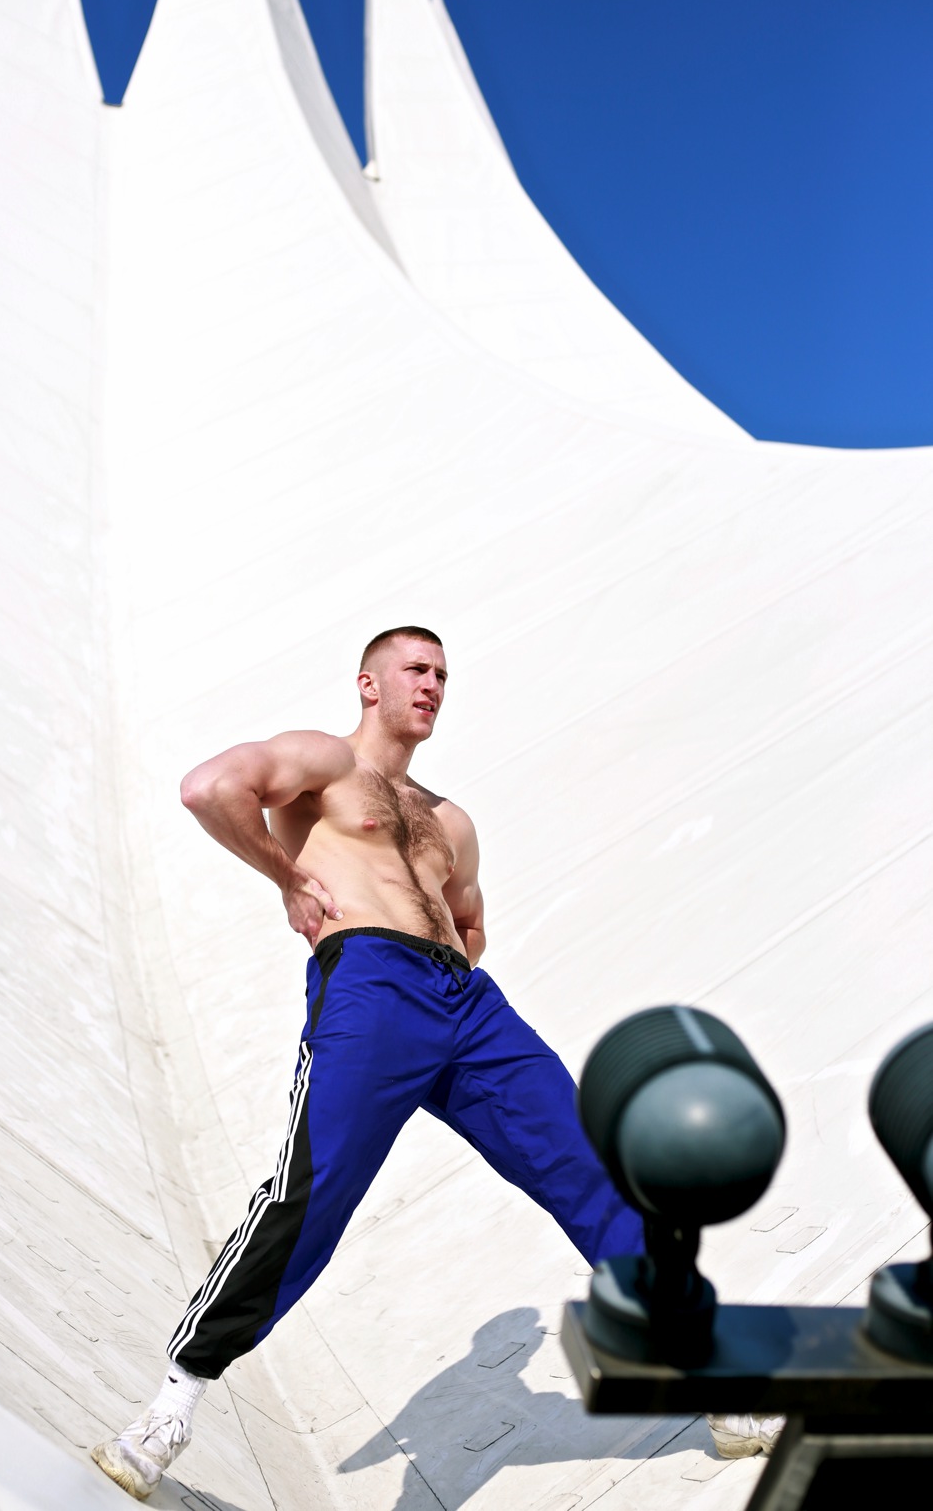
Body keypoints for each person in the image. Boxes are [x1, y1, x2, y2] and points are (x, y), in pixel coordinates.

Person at [91, 627, 776, 1499]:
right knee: (314, 1192)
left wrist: (450, 970)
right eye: (415, 669)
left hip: (466, 1007)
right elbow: (209, 789)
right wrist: (286, 878)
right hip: (371, 986)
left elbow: (470, 919)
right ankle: (171, 1408)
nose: (432, 685)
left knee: (592, 1170)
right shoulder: (324, 762)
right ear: (368, 683)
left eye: (443, 674)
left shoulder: (449, 820)